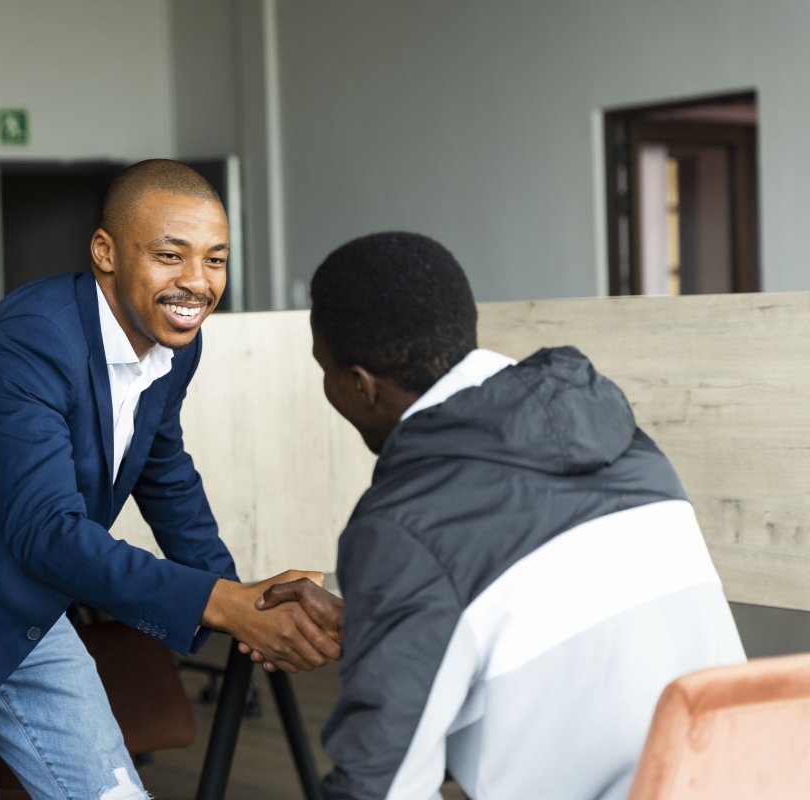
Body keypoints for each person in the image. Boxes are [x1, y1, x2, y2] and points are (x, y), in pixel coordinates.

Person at [0, 159, 340, 800]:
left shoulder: (174, 342)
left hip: (21, 598)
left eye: (215, 260)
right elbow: (47, 532)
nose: (196, 283)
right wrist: (224, 605)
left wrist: (237, 598)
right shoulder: (31, 338)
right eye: (171, 255)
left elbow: (164, 473)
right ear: (104, 253)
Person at [256, 231, 745, 799]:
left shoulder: (404, 523)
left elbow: (380, 786)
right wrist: (379, 624)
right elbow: (541, 625)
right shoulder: (628, 446)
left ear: (361, 386)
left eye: (326, 370)